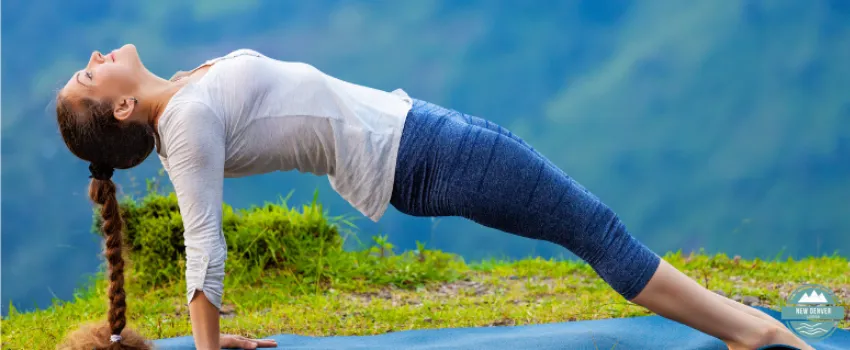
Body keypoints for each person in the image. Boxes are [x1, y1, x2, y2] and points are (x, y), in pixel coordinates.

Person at [53, 44, 811, 350]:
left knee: (593, 228)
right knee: (597, 231)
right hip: (428, 157)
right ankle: (754, 335)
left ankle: (746, 330)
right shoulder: (184, 123)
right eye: (91, 77)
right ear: (122, 111)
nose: (94, 59)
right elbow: (204, 241)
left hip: (427, 137)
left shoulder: (186, 95)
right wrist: (211, 348)